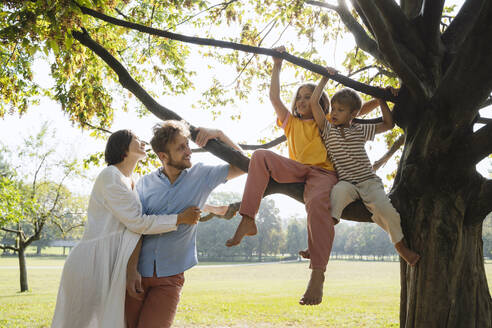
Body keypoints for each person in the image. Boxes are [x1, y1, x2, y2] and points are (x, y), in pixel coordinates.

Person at [224, 46, 380, 306]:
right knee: (261, 155)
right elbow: (274, 98)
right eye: (299, 97)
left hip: (323, 173)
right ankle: (248, 218)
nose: (302, 101)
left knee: (318, 202)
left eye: (309, 97)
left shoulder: (327, 121)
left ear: (321, 103)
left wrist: (383, 96)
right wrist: (277, 64)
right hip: (296, 170)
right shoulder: (290, 122)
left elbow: (358, 109)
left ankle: (317, 275)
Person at [51, 130, 201, 328]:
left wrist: (215, 209)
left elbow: (148, 212)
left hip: (113, 261)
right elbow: (137, 222)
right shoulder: (110, 176)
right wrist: (179, 219)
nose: (143, 142)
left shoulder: (131, 180)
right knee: (80, 322)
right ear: (123, 148)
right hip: (93, 262)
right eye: (136, 140)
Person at [125, 120, 244, 328]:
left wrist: (219, 133)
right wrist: (131, 270)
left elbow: (244, 164)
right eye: (181, 148)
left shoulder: (203, 176)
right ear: (163, 156)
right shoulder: (144, 184)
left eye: (187, 145)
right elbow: (136, 229)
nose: (188, 151)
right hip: (138, 274)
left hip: (170, 277)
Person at [309, 69, 420, 267]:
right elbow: (314, 103)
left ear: (353, 114)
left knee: (388, 212)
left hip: (368, 182)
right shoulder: (327, 129)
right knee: (335, 198)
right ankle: (319, 241)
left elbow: (388, 124)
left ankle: (401, 247)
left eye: (340, 110)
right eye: (333, 108)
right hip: (347, 183)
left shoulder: (360, 129)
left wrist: (381, 99)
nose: (333, 113)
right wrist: (325, 77)